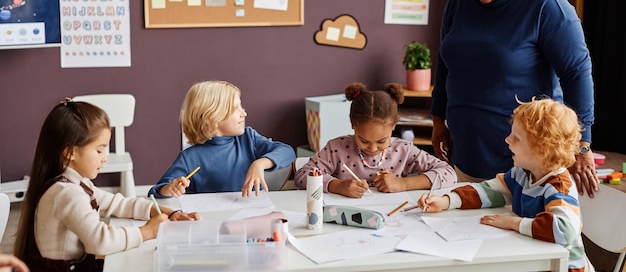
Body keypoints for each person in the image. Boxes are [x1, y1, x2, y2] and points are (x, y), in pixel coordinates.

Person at [431, 0, 597, 196]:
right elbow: (445, 61)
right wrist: (438, 121)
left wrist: (582, 144)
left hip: (528, 164)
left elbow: (576, 73)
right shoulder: (458, 1)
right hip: (466, 155)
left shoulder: (546, 4)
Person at [13, 99, 199, 272]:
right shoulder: (67, 193)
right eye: (99, 149)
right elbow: (100, 241)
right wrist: (146, 231)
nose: (105, 157)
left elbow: (119, 204)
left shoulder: (78, 184)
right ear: (70, 152)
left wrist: (169, 213)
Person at [419, 97, 594, 272]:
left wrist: (512, 223)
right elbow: (488, 191)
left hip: (563, 267)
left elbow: (563, 230)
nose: (507, 140)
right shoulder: (523, 173)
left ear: (542, 150)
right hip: (533, 259)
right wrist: (447, 201)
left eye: (516, 138)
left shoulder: (559, 187)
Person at [294, 82, 456, 198]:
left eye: (381, 141)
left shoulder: (403, 150)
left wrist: (403, 184)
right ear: (353, 125)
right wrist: (336, 185)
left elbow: (449, 173)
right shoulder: (336, 148)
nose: (372, 148)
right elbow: (302, 176)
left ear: (393, 125)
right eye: (363, 140)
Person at [149, 80, 295, 198]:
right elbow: (156, 192)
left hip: (254, 214)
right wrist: (170, 189)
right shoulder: (189, 158)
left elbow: (288, 152)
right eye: (236, 108)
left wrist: (259, 164)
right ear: (213, 117)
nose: (244, 113)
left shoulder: (248, 138)